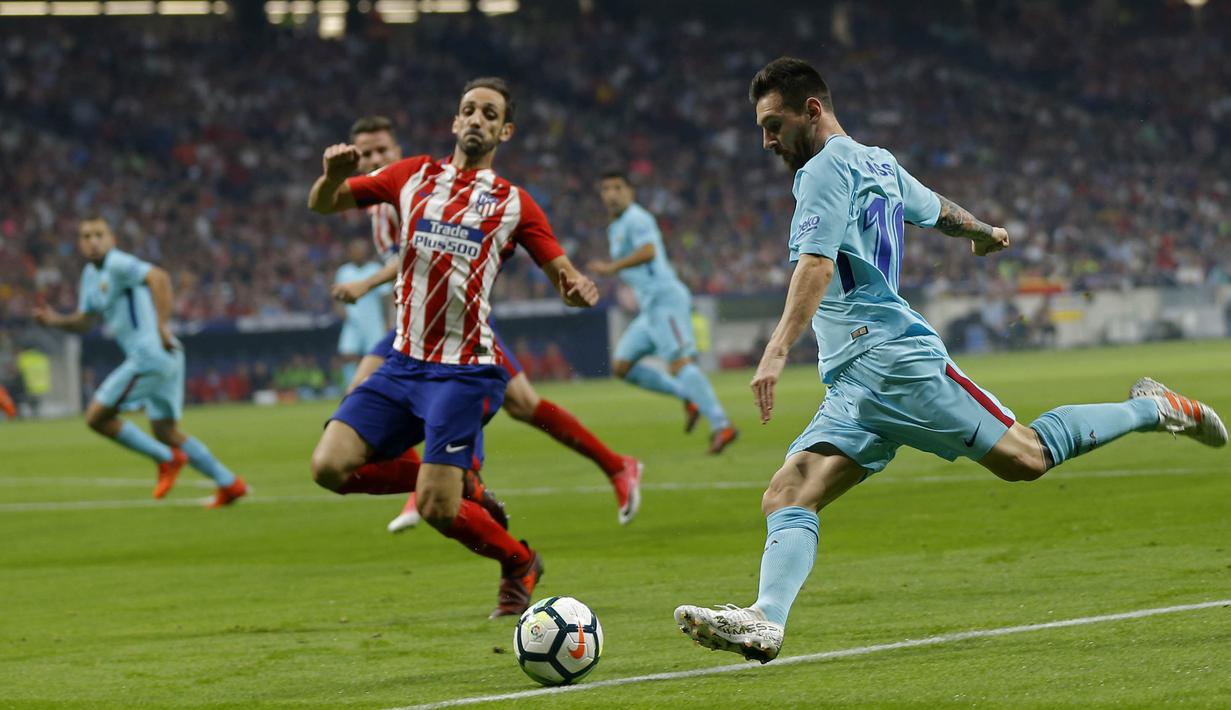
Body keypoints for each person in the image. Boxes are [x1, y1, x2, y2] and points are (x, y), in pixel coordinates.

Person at [673, 57, 1227, 663]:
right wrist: (981, 230)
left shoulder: (822, 169)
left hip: (890, 362)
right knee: (787, 494)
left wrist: (775, 352)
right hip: (854, 381)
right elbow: (931, 206)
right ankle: (766, 620)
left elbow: (816, 262)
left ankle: (1152, 409)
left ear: (813, 109)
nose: (766, 140)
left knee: (1027, 457)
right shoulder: (875, 160)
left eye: (773, 124)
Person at [307, 78, 601, 618]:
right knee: (328, 466)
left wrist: (577, 291)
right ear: (453, 122)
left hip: (463, 372)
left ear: (504, 131)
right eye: (468, 110)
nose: (476, 120)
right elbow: (324, 204)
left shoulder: (516, 205)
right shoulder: (411, 174)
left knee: (437, 510)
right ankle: (462, 480)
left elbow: (563, 275)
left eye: (489, 114)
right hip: (403, 361)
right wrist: (331, 176)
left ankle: (519, 562)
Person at [331, 115, 643, 531]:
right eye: (366, 153)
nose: (375, 158)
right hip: (416, 328)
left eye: (382, 150)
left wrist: (366, 282)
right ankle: (613, 465)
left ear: (396, 148)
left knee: (520, 405)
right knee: (519, 405)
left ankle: (613, 466)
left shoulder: (417, 189)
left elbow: (418, 255)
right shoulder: (380, 201)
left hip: (460, 328)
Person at [34, 218, 248, 507]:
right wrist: (54, 320)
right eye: (86, 236)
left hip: (150, 355)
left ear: (112, 239)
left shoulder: (118, 263)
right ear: (80, 244)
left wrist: (160, 324)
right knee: (165, 431)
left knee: (97, 417)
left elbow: (158, 277)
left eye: (99, 234)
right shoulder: (90, 276)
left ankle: (166, 459)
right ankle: (229, 483)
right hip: (167, 355)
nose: (93, 241)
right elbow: (84, 322)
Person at [590, 171, 738, 454]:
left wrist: (612, 267)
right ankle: (688, 396)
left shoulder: (637, 217)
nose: (611, 194)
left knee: (679, 364)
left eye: (617, 187)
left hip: (665, 299)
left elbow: (648, 252)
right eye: (606, 188)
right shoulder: (616, 227)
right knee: (622, 366)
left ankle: (722, 425)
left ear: (630, 192)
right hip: (650, 309)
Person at [334, 238, 391, 386]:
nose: (357, 254)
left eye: (360, 251)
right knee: (347, 354)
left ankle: (373, 384)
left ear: (366, 252)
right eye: (354, 251)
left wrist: (388, 321)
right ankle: (352, 384)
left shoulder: (375, 269)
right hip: (352, 321)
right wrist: (340, 310)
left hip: (373, 320)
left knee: (376, 354)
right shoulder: (344, 271)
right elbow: (336, 296)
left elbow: (385, 298)